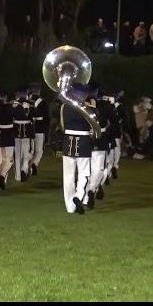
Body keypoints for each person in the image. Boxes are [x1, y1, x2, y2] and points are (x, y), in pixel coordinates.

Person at [60, 82, 93, 215]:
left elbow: (62, 125)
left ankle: (70, 206)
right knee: (84, 173)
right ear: (84, 95)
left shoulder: (64, 107)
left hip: (68, 141)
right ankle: (78, 197)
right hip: (83, 142)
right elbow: (95, 125)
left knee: (68, 175)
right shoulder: (87, 108)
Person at [86, 83, 114, 208]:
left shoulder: (81, 104)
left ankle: (88, 192)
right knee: (99, 168)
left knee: (85, 169)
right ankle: (92, 189)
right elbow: (114, 123)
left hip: (86, 139)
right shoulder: (106, 105)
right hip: (100, 139)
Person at [0, 88, 15, 190]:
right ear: (5, 97)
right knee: (9, 159)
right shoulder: (11, 107)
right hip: (9, 134)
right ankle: (3, 175)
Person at [12, 86, 34, 182]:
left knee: (17, 155)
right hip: (26, 132)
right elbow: (32, 116)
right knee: (26, 154)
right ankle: (24, 170)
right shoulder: (28, 104)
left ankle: (18, 176)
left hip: (16, 132)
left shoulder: (14, 104)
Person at [29, 82, 49, 176]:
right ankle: (34, 164)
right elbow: (47, 118)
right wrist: (46, 131)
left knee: (30, 150)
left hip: (29, 127)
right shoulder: (43, 102)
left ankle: (26, 167)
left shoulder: (27, 101)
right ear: (39, 91)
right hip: (40, 128)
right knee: (39, 150)